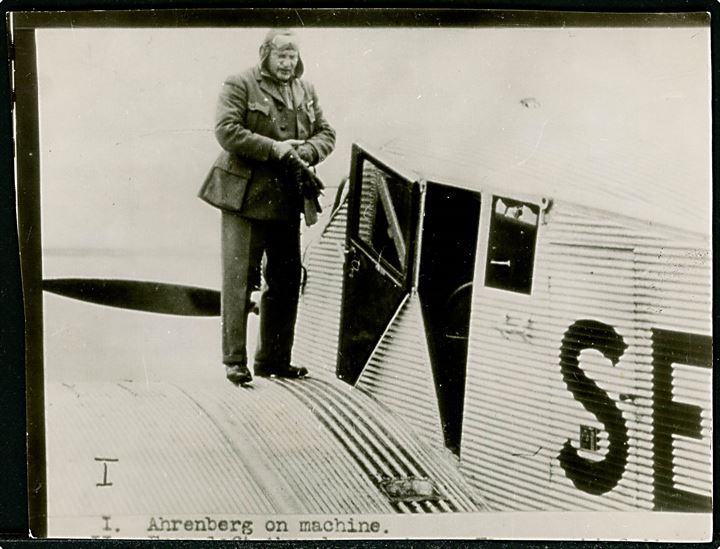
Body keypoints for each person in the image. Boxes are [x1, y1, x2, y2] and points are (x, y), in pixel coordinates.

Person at [199, 28, 336, 385]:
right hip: (244, 199)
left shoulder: (306, 90)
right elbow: (226, 130)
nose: (288, 63)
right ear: (265, 54)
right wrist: (275, 149)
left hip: (286, 202)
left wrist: (304, 152)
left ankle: (274, 360)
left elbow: (327, 134)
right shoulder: (240, 83)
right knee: (239, 280)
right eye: (281, 56)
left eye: (293, 57)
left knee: (286, 280)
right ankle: (234, 362)